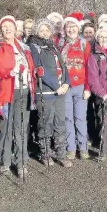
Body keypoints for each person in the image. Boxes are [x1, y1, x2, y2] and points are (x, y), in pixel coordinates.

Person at [0, 15, 37, 176]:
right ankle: (4, 160)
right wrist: (10, 72)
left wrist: (34, 72)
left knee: (21, 128)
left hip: (23, 91)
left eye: (10, 26)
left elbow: (30, 66)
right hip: (6, 93)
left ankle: (21, 161)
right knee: (6, 128)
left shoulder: (23, 47)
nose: (7, 29)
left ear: (16, 29)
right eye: (4, 27)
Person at [28, 18, 72, 168]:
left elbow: (63, 66)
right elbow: (40, 70)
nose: (45, 33)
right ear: (36, 31)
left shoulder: (53, 46)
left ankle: (61, 153)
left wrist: (66, 82)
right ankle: (45, 152)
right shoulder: (34, 47)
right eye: (42, 30)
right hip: (46, 91)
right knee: (45, 123)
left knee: (60, 122)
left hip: (61, 91)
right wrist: (55, 85)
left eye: (47, 30)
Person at [57, 13, 92, 160]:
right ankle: (70, 148)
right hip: (66, 86)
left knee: (80, 117)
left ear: (78, 28)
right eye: (68, 27)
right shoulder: (60, 44)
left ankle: (83, 147)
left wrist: (88, 87)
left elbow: (89, 67)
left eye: (73, 27)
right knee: (67, 118)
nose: (71, 30)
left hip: (80, 86)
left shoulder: (84, 44)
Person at [87, 26, 107, 161]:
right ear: (97, 38)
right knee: (104, 123)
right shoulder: (94, 56)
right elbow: (93, 78)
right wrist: (102, 93)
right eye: (101, 37)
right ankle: (103, 151)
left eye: (106, 37)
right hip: (104, 95)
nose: (104, 39)